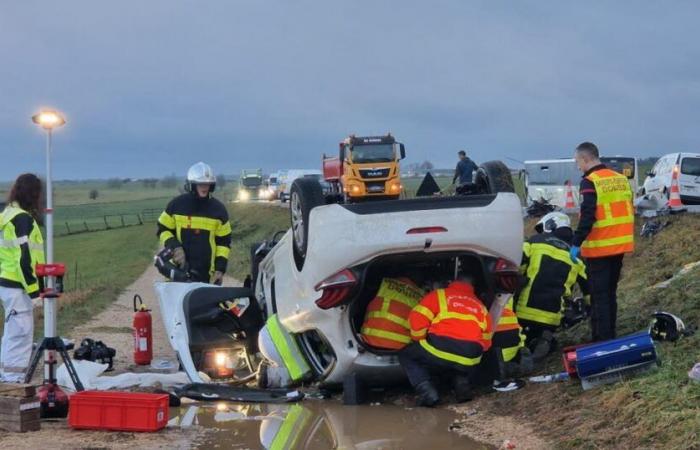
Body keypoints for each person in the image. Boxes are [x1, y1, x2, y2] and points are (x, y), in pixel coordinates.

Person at [399, 271, 492, 407]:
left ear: (452, 282)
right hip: (470, 357)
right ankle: (462, 387)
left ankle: (428, 394)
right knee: (459, 361)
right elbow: (486, 343)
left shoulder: (439, 295)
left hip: (441, 348)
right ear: (473, 286)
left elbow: (417, 318)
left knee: (406, 354)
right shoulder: (481, 306)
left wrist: (420, 339)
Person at [571, 142, 634, 342]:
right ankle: (610, 336)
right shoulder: (620, 179)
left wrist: (576, 242)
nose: (578, 166)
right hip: (619, 246)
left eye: (577, 162)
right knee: (610, 294)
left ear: (585, 159)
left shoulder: (590, 182)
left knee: (599, 298)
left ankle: (603, 341)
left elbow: (588, 215)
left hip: (599, 248)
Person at [516, 212, 588, 360]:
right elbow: (590, 288)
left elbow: (515, 265)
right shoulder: (577, 255)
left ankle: (522, 345)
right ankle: (545, 337)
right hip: (552, 318)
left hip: (522, 312)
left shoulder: (533, 242)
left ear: (550, 225)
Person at [0, 174, 45, 383]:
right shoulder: (22, 218)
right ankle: (13, 382)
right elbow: (23, 258)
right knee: (20, 333)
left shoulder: (7, 214)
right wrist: (35, 292)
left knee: (12, 332)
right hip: (19, 286)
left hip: (8, 283)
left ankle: (7, 377)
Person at [157, 162, 232, 284]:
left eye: (207, 184)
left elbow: (224, 243)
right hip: (178, 272)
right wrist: (175, 247)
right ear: (192, 184)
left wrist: (220, 269)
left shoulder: (219, 210)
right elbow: (163, 229)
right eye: (201, 184)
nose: (204, 187)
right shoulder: (176, 205)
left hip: (207, 275)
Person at [360, 278, 424, 350]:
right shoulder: (422, 296)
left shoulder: (383, 284)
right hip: (400, 347)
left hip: (368, 341)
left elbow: (361, 307)